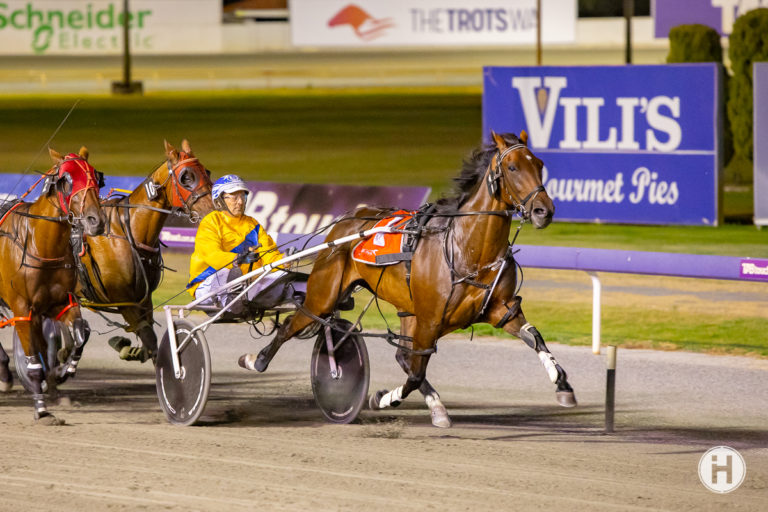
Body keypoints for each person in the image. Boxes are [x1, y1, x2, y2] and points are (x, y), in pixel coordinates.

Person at [187, 174, 293, 312]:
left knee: (282, 275)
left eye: (243, 196)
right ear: (219, 200)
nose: (240, 202)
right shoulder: (210, 222)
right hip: (208, 284)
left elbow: (269, 256)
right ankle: (235, 301)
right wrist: (238, 259)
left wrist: (283, 261)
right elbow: (212, 256)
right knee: (226, 272)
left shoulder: (253, 224)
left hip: (246, 283)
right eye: (234, 197)